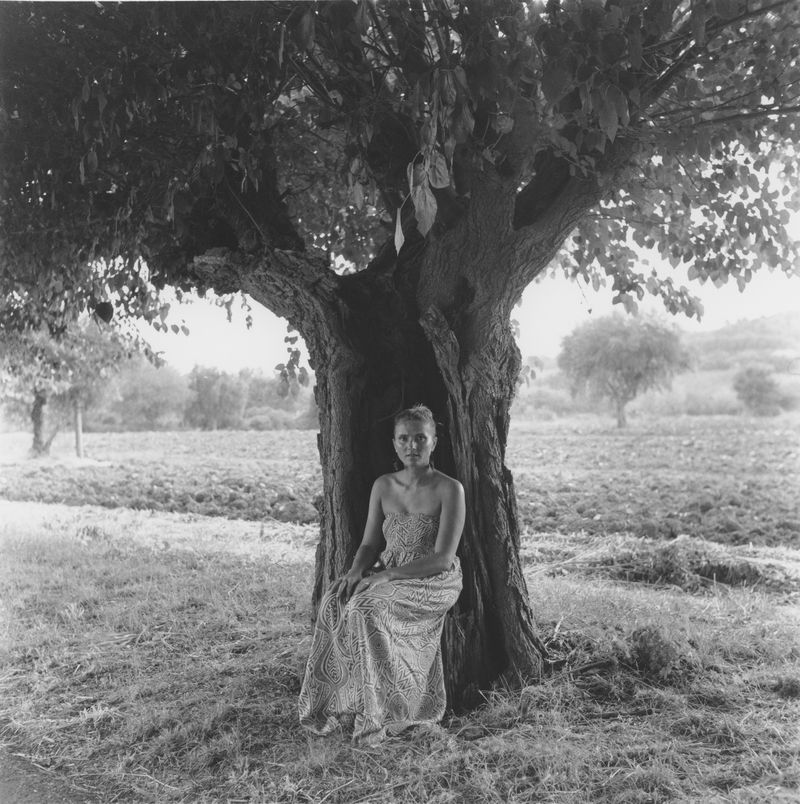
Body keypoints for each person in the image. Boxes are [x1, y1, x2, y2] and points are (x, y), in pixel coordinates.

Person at [298, 404, 465, 742]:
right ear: (394, 443)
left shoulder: (450, 489)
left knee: (366, 607)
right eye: (404, 439)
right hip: (387, 570)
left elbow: (443, 559)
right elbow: (369, 543)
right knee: (335, 599)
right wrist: (355, 572)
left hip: (431, 579)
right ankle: (341, 704)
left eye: (420, 438)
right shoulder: (383, 485)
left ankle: (383, 711)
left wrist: (386, 577)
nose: (412, 445)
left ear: (434, 442)